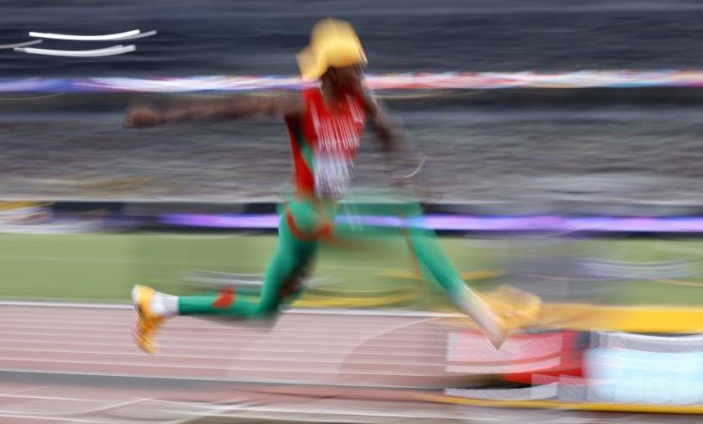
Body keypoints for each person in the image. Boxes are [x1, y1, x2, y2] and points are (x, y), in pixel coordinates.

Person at [124, 18, 540, 354]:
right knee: (408, 223)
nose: (361, 72)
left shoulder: (364, 99)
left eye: (362, 65)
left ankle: (159, 304)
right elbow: (231, 109)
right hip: (304, 214)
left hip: (310, 224)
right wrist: (160, 117)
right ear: (331, 70)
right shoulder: (298, 104)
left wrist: (411, 174)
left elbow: (388, 133)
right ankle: (487, 317)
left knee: (264, 312)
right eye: (353, 67)